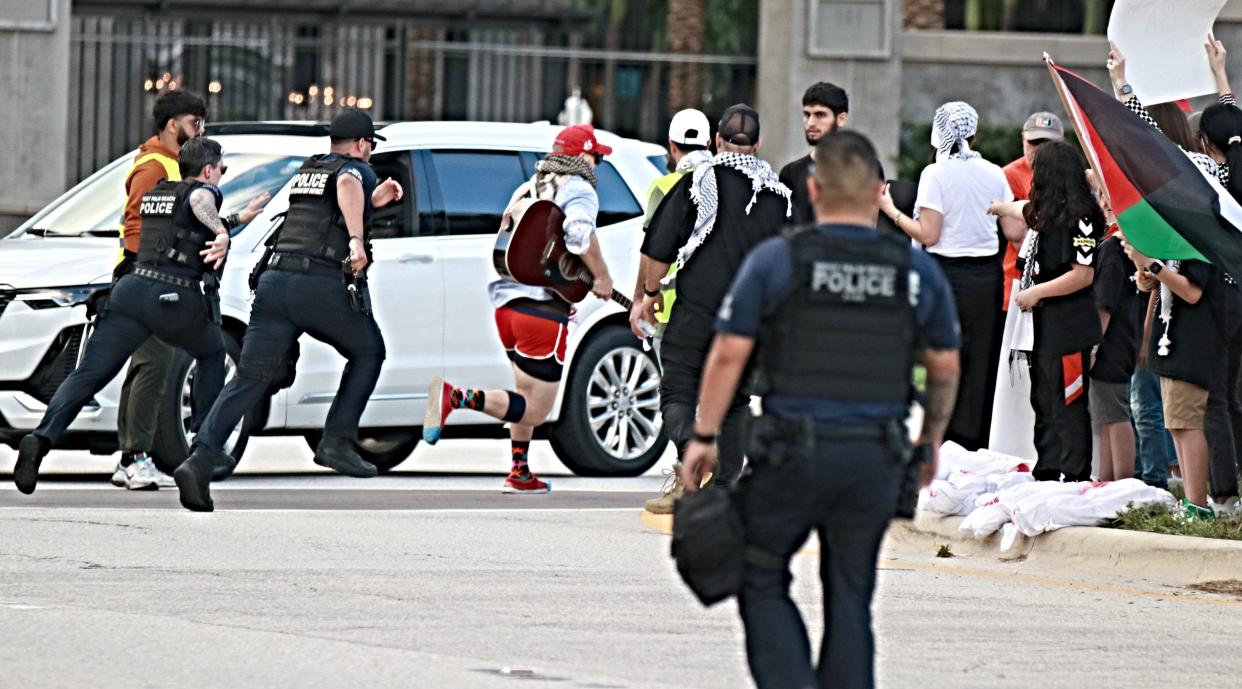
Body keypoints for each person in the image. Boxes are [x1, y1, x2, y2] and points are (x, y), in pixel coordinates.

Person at [680, 131, 961, 689]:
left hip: (792, 452)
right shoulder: (913, 271)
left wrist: (705, 435)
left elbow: (729, 351)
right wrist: (928, 441)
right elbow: (945, 365)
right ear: (878, 192)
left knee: (761, 574)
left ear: (813, 188)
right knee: (851, 595)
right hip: (874, 456)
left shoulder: (779, 259)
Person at [173, 109, 403, 512]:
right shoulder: (355, 169)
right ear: (363, 144)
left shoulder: (309, 170)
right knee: (369, 352)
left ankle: (200, 459)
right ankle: (336, 440)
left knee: (250, 376)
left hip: (275, 284)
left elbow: (329, 207)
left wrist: (373, 203)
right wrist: (356, 240)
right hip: (318, 285)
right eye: (368, 149)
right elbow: (349, 185)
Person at [13, 138, 267, 495]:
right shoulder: (204, 192)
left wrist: (239, 219)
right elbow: (199, 201)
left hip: (132, 292)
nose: (222, 175)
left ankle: (40, 440)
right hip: (173, 297)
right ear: (208, 170)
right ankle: (202, 451)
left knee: (88, 375)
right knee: (212, 354)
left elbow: (186, 220)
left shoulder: (159, 194)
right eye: (221, 168)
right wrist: (223, 232)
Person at [423, 124, 618, 494]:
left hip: (508, 309)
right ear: (581, 157)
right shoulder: (579, 189)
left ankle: (520, 471)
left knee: (522, 392)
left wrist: (564, 286)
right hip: (541, 315)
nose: (597, 165)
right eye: (595, 157)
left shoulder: (528, 188)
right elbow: (577, 237)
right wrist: (602, 276)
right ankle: (457, 397)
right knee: (535, 410)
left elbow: (518, 245)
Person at [1109, 38, 1242, 516]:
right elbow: (1232, 129)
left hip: (1205, 297)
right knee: (1224, 400)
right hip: (1231, 295)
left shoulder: (1203, 174)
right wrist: (1222, 79)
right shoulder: (1236, 176)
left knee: (1208, 406)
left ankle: (1215, 498)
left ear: (1204, 145)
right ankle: (1225, 493)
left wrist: (1123, 86)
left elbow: (1155, 145)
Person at [637, 104, 791, 497]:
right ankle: (723, 489)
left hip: (696, 315)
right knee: (736, 402)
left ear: (717, 141)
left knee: (677, 394)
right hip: (748, 321)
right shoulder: (778, 197)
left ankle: (692, 453)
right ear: (757, 146)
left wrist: (650, 295)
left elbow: (659, 245)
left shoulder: (698, 181)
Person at [880, 101, 1008, 451]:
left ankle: (942, 438)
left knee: (944, 358)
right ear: (975, 132)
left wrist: (891, 212)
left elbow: (928, 234)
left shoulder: (935, 174)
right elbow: (1012, 229)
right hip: (987, 276)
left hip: (946, 276)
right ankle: (975, 443)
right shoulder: (995, 173)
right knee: (981, 360)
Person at [989, 142, 1104, 482]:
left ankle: (1074, 474)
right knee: (1044, 401)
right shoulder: (1045, 214)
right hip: (1042, 328)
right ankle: (1048, 470)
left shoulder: (1081, 218)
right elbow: (1023, 210)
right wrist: (999, 207)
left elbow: (1082, 275)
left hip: (1068, 327)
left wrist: (1036, 292)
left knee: (1067, 402)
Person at [112, 90, 208, 490]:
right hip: (148, 280)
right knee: (156, 364)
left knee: (146, 365)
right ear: (174, 125)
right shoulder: (155, 167)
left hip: (146, 279)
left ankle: (128, 458)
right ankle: (136, 458)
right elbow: (136, 225)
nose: (200, 130)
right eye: (195, 122)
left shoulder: (169, 163)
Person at [628, 108, 713, 343]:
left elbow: (651, 249)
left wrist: (639, 299)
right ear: (708, 143)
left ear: (671, 145)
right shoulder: (721, 184)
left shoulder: (663, 187)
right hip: (711, 305)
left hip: (668, 307)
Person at [1086, 174, 1141, 482]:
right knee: (1104, 414)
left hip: (1110, 342)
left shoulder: (1111, 246)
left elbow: (1104, 304)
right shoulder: (1126, 241)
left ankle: (1123, 483)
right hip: (1123, 338)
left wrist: (1092, 347)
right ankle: (1106, 482)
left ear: (1106, 201)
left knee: (1115, 414)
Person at [1000, 112, 1063, 311]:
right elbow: (1017, 237)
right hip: (1019, 280)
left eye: (1047, 142)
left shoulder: (1069, 174)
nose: (1039, 149)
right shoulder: (1009, 175)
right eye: (1034, 142)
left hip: (1062, 283)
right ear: (1023, 140)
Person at [779, 81, 848, 226]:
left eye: (820, 115)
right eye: (806, 115)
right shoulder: (791, 173)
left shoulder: (863, 169)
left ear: (841, 119)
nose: (811, 123)